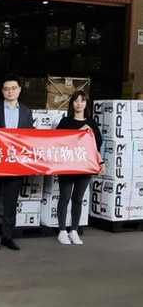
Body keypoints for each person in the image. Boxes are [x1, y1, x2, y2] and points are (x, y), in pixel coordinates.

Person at [0, 73, 34, 251]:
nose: (10, 91)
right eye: (6, 88)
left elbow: (30, 136)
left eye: (13, 88)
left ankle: (8, 236)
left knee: (11, 200)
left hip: (16, 163)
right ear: (2, 91)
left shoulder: (26, 111)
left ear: (19, 89)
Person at [55, 90, 103, 245]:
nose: (79, 103)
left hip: (85, 166)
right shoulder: (65, 122)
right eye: (76, 100)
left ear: (86, 103)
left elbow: (95, 146)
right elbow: (57, 143)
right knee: (65, 197)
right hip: (67, 166)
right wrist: (78, 133)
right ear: (72, 104)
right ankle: (62, 231)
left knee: (78, 198)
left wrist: (101, 163)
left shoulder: (92, 123)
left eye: (82, 100)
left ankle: (74, 230)